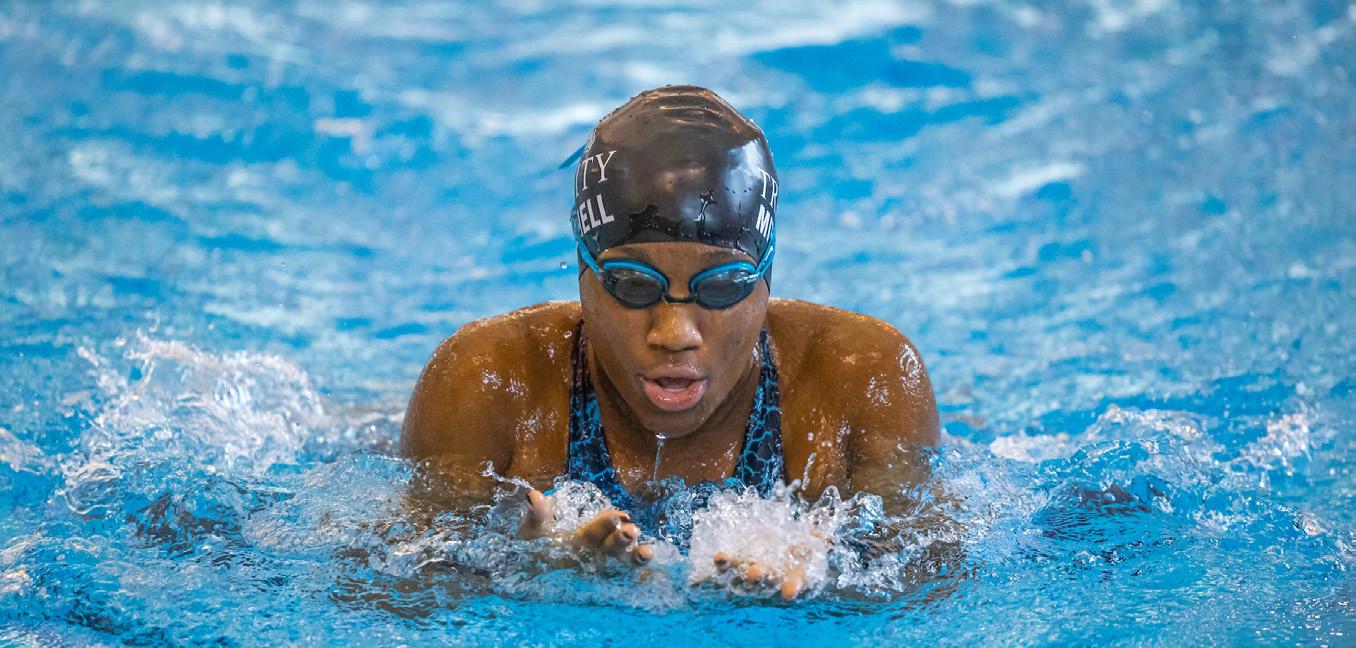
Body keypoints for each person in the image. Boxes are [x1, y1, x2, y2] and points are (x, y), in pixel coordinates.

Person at [401, 85, 940, 599]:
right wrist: (528, 572)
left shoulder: (863, 380)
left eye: (722, 285)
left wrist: (831, 579)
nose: (676, 334)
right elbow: (395, 589)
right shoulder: (489, 383)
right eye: (634, 285)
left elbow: (932, 573)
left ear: (766, 279)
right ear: (583, 273)